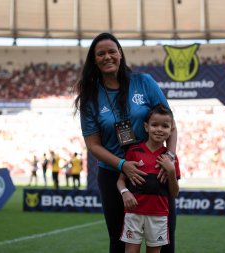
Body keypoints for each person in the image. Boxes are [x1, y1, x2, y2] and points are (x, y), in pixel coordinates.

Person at [74, 32, 177, 253]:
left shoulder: (144, 82)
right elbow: (93, 145)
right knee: (120, 242)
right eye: (100, 53)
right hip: (113, 174)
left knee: (162, 242)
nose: (107, 57)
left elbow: (171, 124)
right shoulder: (90, 95)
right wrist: (123, 165)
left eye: (112, 51)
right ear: (94, 59)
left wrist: (170, 155)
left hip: (153, 171)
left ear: (120, 53)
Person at [117, 104, 180, 253]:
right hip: (134, 214)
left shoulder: (171, 159)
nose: (159, 129)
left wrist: (170, 171)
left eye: (165, 126)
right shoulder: (134, 151)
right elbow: (120, 181)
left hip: (158, 216)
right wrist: (125, 192)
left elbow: (174, 192)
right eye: (154, 125)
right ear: (146, 127)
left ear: (171, 130)